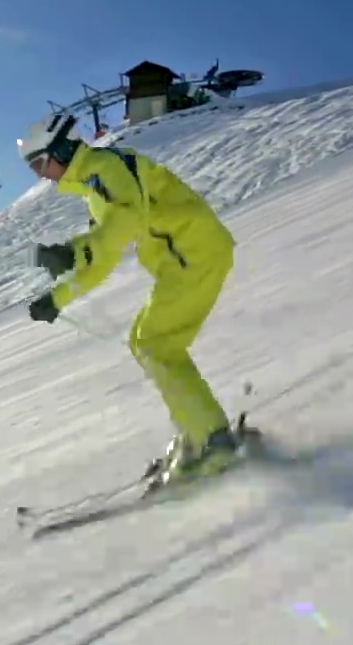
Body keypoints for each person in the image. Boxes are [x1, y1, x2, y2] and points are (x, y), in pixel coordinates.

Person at [16, 112, 243, 485]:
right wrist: (56, 299)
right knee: (146, 343)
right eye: (34, 168)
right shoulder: (95, 185)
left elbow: (126, 224)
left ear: (61, 148)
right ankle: (198, 434)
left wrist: (72, 252)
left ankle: (215, 442)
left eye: (41, 163)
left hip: (194, 252)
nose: (42, 174)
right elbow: (104, 255)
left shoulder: (107, 168)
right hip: (183, 258)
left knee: (155, 345)